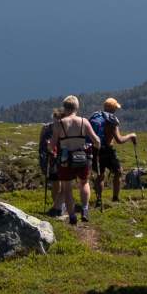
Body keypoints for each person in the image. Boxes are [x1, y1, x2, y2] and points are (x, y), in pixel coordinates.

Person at [46, 95, 101, 224]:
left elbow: (52, 145)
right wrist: (95, 147)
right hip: (82, 158)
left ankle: (72, 217)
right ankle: (85, 209)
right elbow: (96, 140)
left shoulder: (60, 124)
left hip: (65, 160)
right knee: (84, 183)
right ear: (77, 107)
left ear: (64, 108)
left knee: (67, 188)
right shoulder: (83, 121)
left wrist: (49, 148)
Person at [89, 98, 137, 204]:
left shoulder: (96, 117)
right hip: (108, 151)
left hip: (95, 150)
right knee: (118, 172)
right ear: (113, 108)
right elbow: (119, 140)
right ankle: (115, 198)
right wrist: (131, 135)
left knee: (100, 175)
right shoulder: (112, 120)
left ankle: (99, 200)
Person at [37, 110, 61, 208]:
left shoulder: (46, 128)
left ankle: (56, 204)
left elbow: (41, 145)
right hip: (59, 159)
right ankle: (58, 205)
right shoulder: (63, 128)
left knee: (55, 182)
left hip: (49, 159)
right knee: (58, 182)